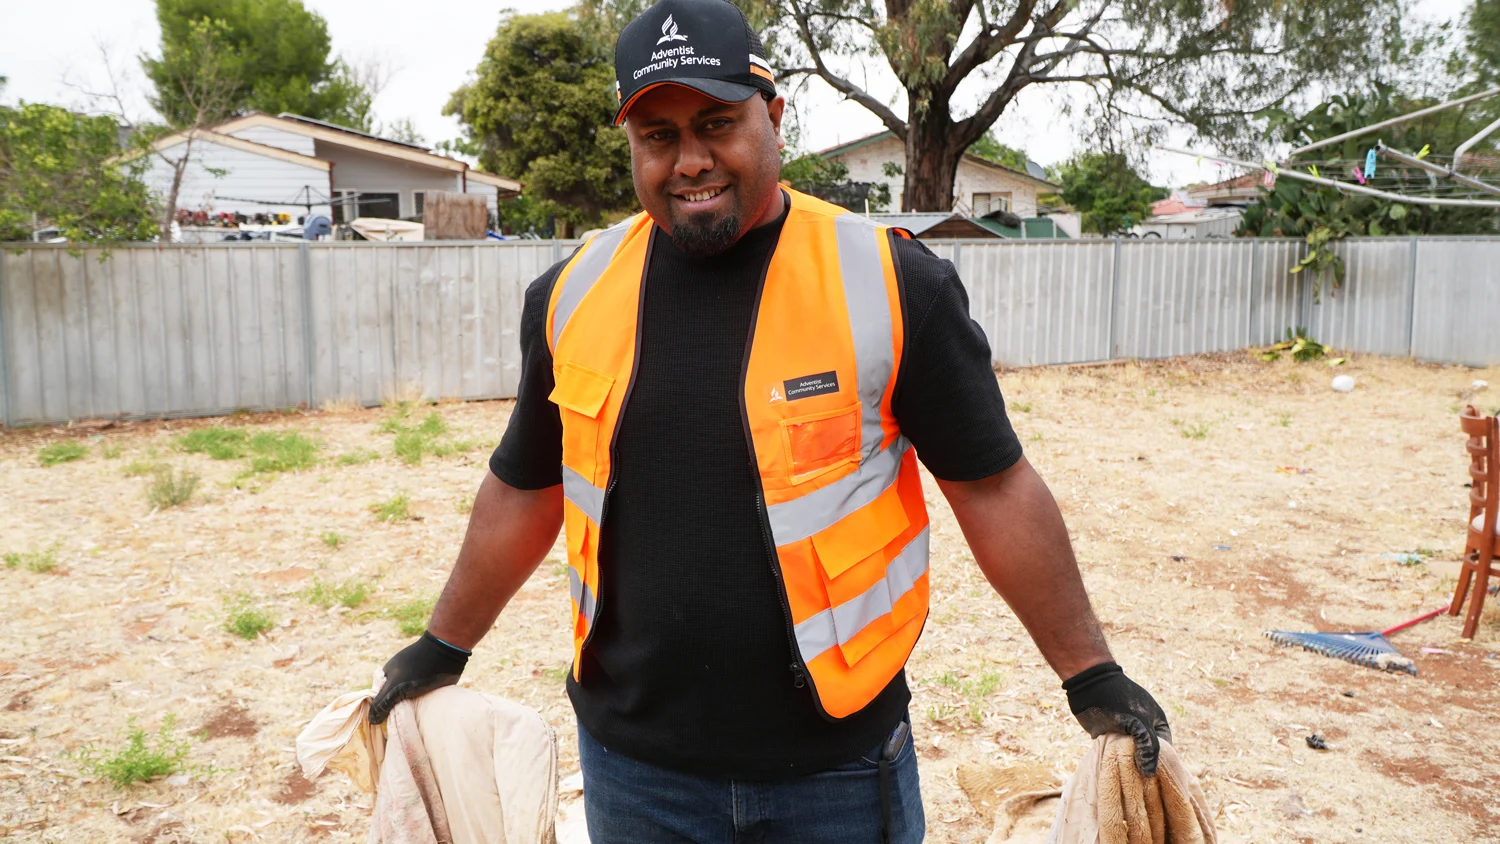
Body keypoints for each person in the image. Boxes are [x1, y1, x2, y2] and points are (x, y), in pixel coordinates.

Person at [370, 0, 1170, 840]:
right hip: (635, 775)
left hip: (837, 772)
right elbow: (524, 488)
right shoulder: (571, 295)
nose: (690, 161)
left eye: (717, 124)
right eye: (659, 136)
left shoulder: (891, 283)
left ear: (774, 118)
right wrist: (443, 645)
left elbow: (994, 489)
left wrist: (1089, 673)